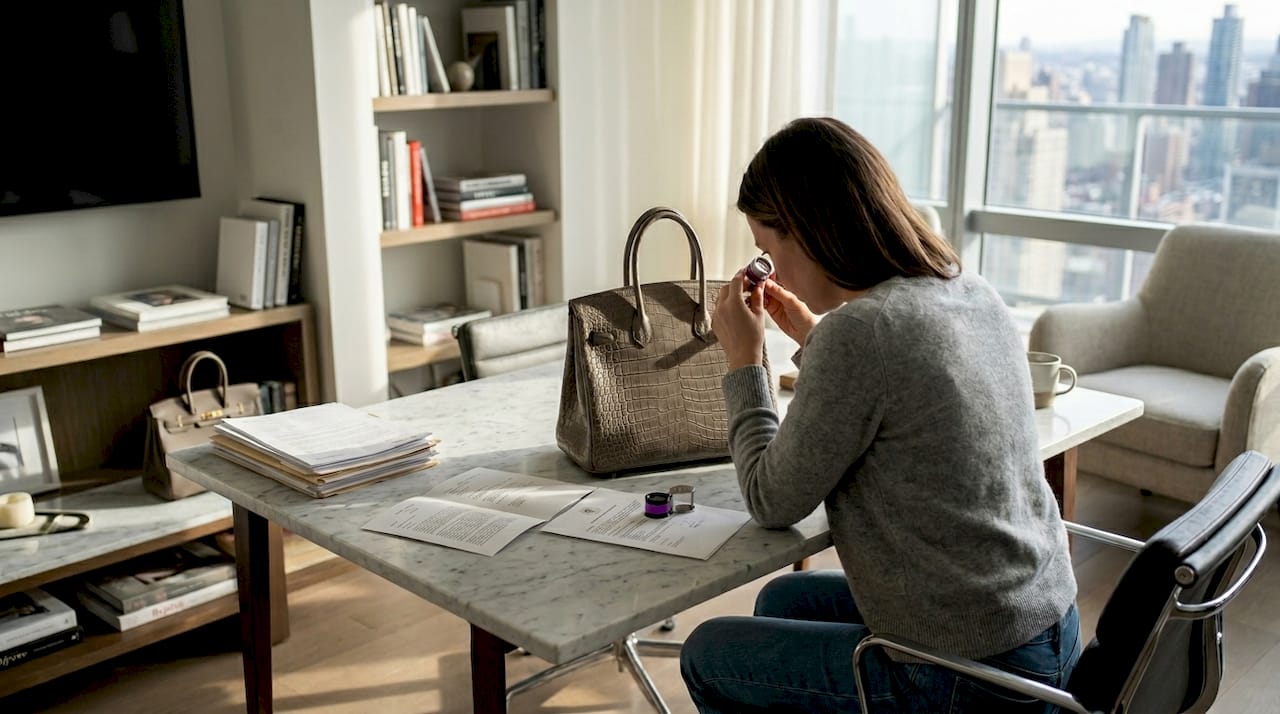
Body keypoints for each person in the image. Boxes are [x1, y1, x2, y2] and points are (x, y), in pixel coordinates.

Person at [679, 117, 1080, 713]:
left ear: (810, 231)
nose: (773, 270)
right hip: (1045, 631)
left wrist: (745, 360)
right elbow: (901, 382)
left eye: (769, 250)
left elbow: (770, 501)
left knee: (709, 651)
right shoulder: (965, 287)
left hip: (973, 676)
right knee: (785, 599)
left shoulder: (862, 335)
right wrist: (814, 336)